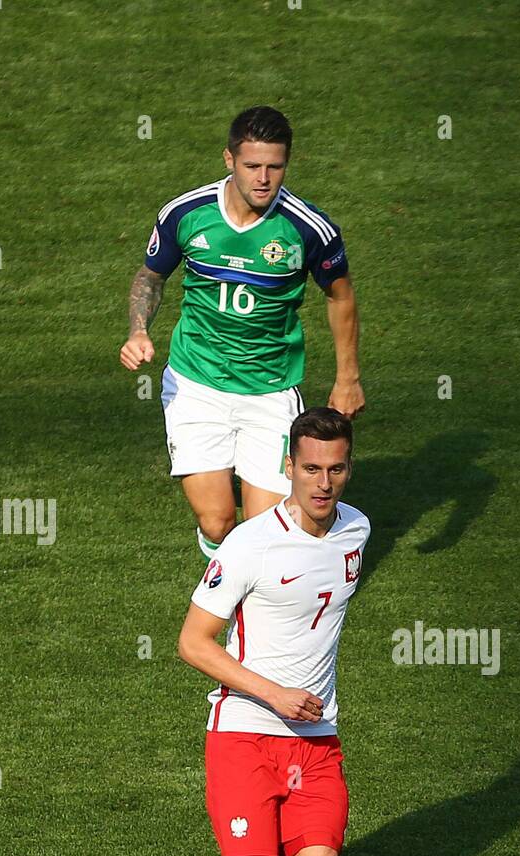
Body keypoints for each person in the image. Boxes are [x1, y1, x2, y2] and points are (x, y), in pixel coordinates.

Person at [89, 408, 369, 856]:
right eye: (310, 469)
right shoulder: (246, 544)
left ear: (347, 466)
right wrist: (273, 694)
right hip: (245, 736)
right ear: (288, 466)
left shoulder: (357, 529)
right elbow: (192, 643)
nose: (322, 483)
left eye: (334, 468)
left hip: (317, 743)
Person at [119, 106, 364, 559]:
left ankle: (246, 615)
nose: (264, 178)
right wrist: (138, 330)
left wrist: (347, 377)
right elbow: (151, 276)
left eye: (276, 166)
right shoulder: (186, 214)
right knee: (217, 521)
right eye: (253, 165)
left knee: (265, 530)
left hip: (268, 390)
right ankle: (224, 599)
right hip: (196, 383)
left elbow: (341, 296)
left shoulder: (309, 228)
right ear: (229, 160)